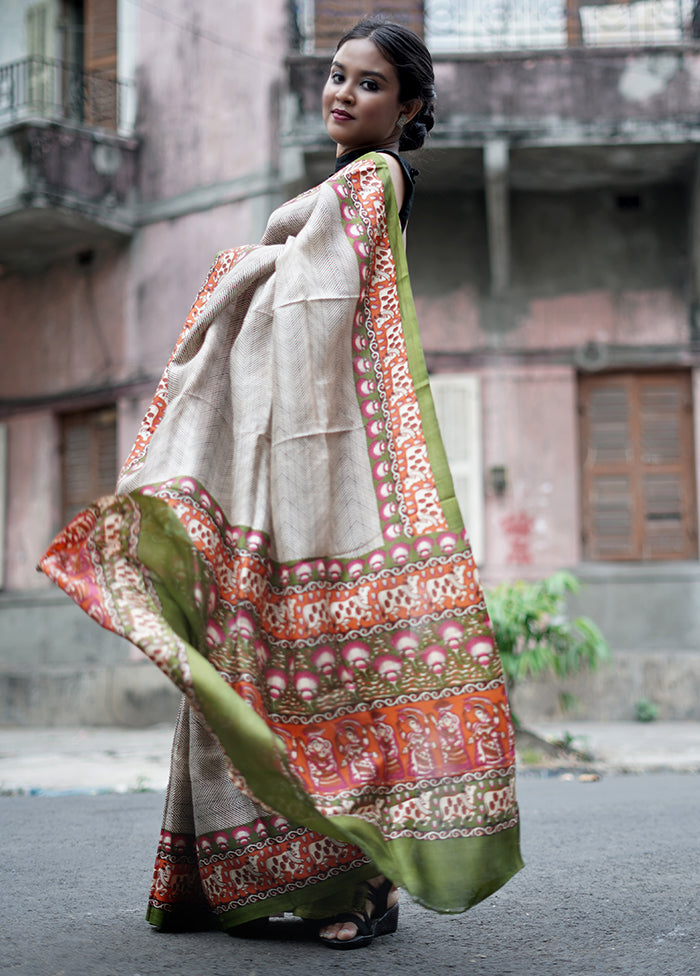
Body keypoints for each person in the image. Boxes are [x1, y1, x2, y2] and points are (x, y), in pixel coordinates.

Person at [40, 17, 523, 950]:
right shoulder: (339, 188)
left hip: (323, 470)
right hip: (296, 462)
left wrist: (241, 272)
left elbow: (311, 303)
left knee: (310, 677)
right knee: (268, 664)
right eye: (338, 77)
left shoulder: (372, 180)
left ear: (409, 106)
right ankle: (253, 877)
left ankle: (360, 888)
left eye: (371, 84)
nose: (344, 93)